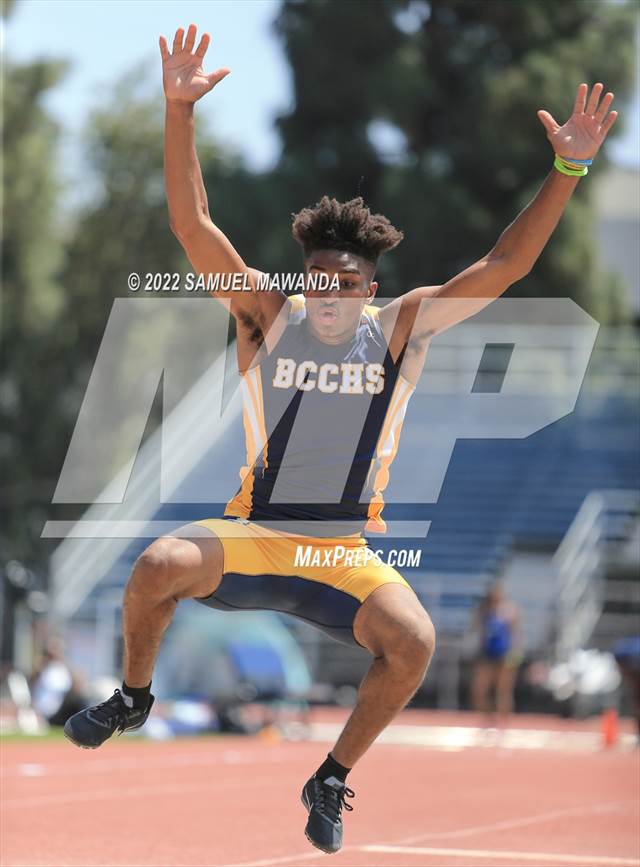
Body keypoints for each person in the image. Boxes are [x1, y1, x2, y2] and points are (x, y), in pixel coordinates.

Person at [64, 24, 618, 854]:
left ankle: (330, 774)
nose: (329, 295)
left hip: (340, 553)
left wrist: (568, 167)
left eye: (346, 284)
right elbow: (193, 223)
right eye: (317, 279)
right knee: (155, 567)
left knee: (416, 640)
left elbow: (504, 263)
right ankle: (135, 697)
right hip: (255, 535)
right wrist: (178, 112)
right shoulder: (266, 317)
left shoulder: (402, 329)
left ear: (370, 288)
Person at [470, 581, 523, 727]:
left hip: (504, 654)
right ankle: (488, 720)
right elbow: (476, 629)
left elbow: (517, 633)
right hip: (487, 654)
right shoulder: (484, 610)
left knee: (503, 691)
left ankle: (504, 722)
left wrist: (516, 652)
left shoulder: (510, 610)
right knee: (479, 690)